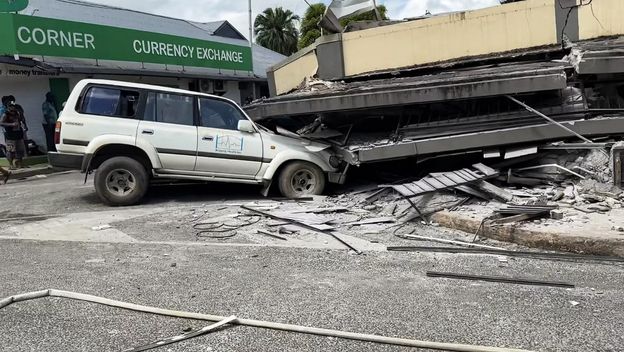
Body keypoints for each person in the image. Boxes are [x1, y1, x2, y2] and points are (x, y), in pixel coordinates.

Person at [0, 101, 26, 169]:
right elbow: (1, 123)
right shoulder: (5, 114)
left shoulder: (17, 113)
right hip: (10, 135)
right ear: (8, 107)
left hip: (18, 134)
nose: (13, 107)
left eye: (13, 106)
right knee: (10, 151)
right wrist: (11, 124)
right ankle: (11, 165)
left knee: (20, 150)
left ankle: (20, 164)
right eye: (11, 106)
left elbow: (21, 120)